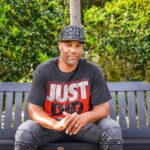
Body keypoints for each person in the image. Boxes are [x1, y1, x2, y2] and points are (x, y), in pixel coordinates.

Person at [15, 25, 122, 150]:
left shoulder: (93, 71)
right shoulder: (43, 71)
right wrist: (55, 124)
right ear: (60, 45)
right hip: (52, 127)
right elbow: (34, 110)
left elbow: (103, 109)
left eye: (78, 46)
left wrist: (83, 118)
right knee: (25, 132)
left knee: (112, 129)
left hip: (84, 126)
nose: (73, 50)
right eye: (68, 45)